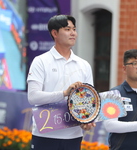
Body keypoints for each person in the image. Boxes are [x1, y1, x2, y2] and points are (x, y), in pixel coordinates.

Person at [27, 15, 96, 150]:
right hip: (45, 135)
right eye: (67, 29)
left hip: (73, 136)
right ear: (54, 33)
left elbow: (89, 100)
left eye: (74, 29)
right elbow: (33, 97)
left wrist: (87, 120)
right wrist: (64, 93)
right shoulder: (40, 61)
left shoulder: (84, 65)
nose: (73, 33)